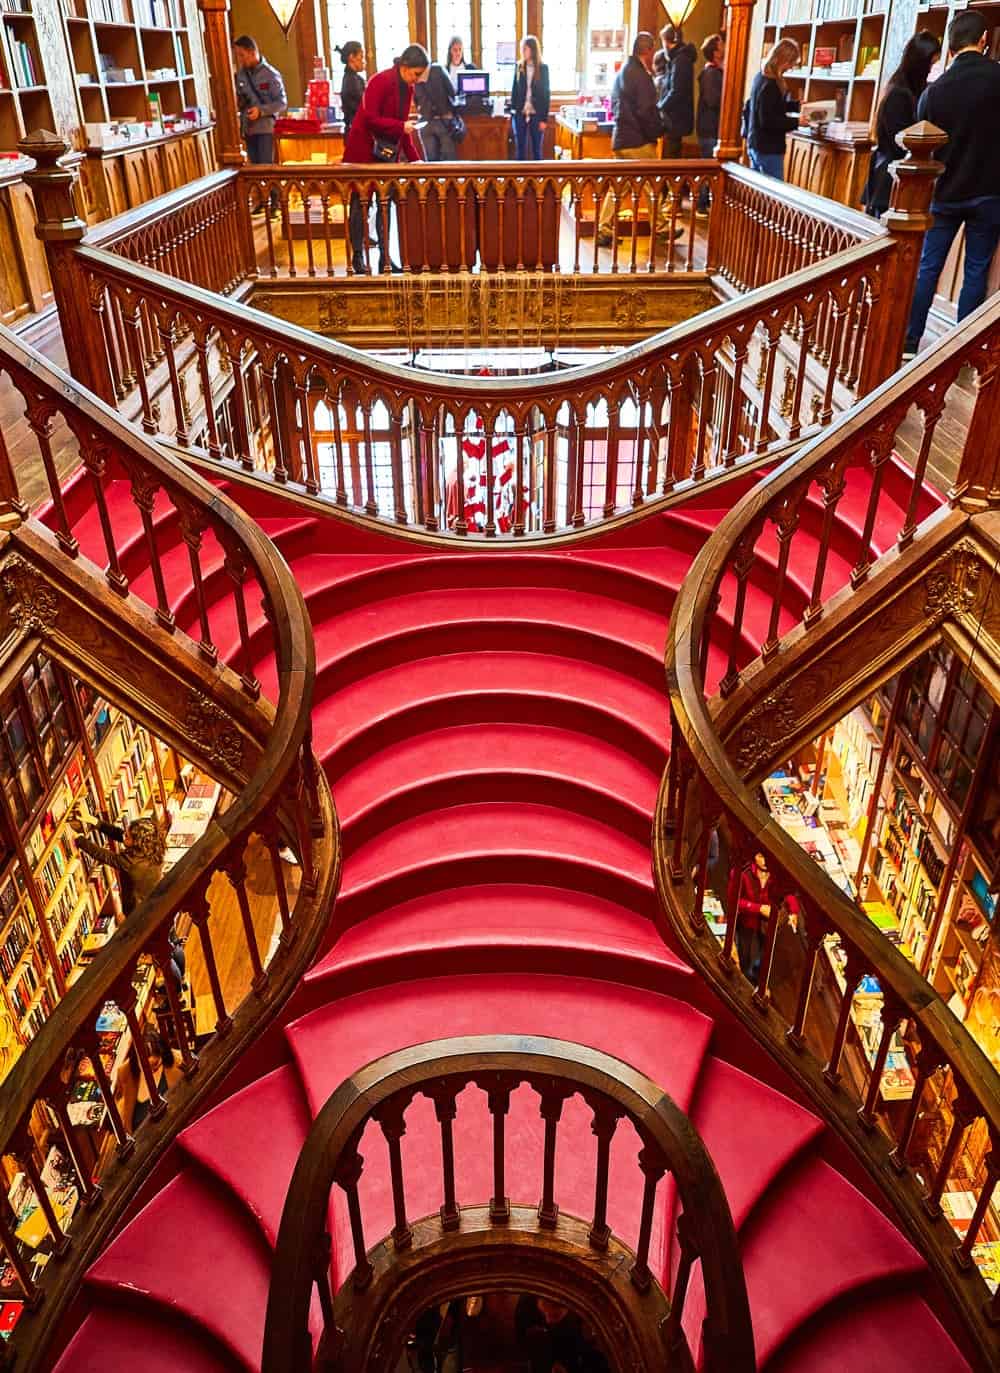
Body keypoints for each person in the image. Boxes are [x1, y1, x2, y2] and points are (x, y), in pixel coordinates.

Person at [904, 10, 1000, 357]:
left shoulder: (935, 91)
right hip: (990, 192)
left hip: (943, 191)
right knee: (975, 270)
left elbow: (920, 140)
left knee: (928, 266)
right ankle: (963, 349)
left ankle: (910, 341)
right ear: (984, 40)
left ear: (949, 47)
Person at [342, 43, 428, 275]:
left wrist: (415, 160)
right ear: (405, 66)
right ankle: (358, 257)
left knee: (384, 206)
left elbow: (402, 130)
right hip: (362, 151)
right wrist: (401, 126)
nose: (417, 80)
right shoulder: (379, 81)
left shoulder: (406, 88)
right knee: (360, 205)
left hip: (385, 154)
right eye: (416, 74)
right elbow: (370, 118)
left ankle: (385, 259)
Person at [598, 32, 679, 247]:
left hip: (622, 138)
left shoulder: (624, 72)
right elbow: (646, 111)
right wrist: (658, 130)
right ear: (648, 50)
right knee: (652, 183)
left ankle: (604, 229)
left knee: (620, 187)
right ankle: (661, 229)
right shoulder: (640, 76)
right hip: (637, 141)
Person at [862, 31, 939, 219]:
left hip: (898, 180)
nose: (931, 70)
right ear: (920, 63)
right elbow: (901, 139)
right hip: (890, 181)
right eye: (931, 64)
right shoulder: (899, 94)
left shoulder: (914, 90)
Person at [70, 802, 166, 917]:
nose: (123, 834)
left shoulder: (129, 862)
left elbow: (101, 854)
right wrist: (92, 820)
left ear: (136, 843)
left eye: (128, 836)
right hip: (157, 900)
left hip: (138, 912)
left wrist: (78, 839)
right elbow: (119, 834)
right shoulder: (153, 847)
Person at [233, 35, 286, 211]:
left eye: (242, 55)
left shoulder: (270, 74)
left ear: (252, 52)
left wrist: (261, 111)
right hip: (248, 127)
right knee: (254, 168)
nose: (239, 59)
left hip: (264, 128)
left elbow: (282, 103)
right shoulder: (240, 74)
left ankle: (275, 201)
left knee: (266, 166)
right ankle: (261, 201)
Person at [745, 38, 801, 180]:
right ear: (783, 60)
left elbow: (771, 106)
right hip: (768, 148)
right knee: (771, 196)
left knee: (758, 193)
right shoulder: (771, 84)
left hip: (756, 143)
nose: (790, 67)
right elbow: (769, 121)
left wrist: (796, 106)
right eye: (790, 63)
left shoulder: (760, 77)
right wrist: (797, 122)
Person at [696, 32, 725, 214]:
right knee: (708, 167)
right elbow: (713, 100)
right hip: (710, 128)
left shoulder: (714, 72)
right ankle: (701, 204)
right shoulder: (711, 74)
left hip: (710, 127)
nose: (725, 46)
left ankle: (704, 202)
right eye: (722, 44)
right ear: (715, 52)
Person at [130, 1031, 182, 1130]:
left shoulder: (177, 1062)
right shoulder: (128, 1075)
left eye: (155, 1065)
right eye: (145, 1066)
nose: (150, 1071)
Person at [658, 24, 696, 158]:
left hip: (675, 120)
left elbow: (676, 91)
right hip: (675, 119)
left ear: (668, 42)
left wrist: (660, 107)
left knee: (670, 158)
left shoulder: (680, 60)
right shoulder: (678, 59)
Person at [510, 34, 550, 161]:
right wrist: (513, 111)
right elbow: (514, 90)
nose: (522, 52)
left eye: (524, 49)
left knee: (536, 149)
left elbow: (546, 94)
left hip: (536, 114)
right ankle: (519, 179)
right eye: (521, 48)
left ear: (532, 50)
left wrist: (544, 119)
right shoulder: (519, 66)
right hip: (520, 113)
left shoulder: (543, 68)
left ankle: (538, 180)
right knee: (520, 149)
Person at [414, 58, 462, 161]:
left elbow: (416, 101)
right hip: (444, 120)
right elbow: (452, 92)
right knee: (450, 163)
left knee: (431, 163)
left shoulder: (415, 74)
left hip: (425, 122)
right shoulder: (438, 69)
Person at [336, 40, 366, 135]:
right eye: (361, 57)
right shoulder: (351, 80)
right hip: (356, 132)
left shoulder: (353, 78)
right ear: (351, 57)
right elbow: (363, 106)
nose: (363, 61)